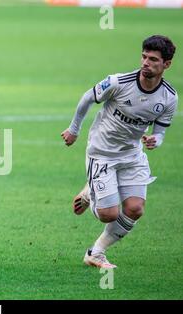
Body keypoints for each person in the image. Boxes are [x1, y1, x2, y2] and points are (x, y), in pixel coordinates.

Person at [61, 35, 177, 268]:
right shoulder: (118, 82)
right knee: (109, 214)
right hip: (102, 152)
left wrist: (156, 140)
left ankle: (96, 252)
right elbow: (88, 97)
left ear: (166, 64)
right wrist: (74, 130)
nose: (146, 63)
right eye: (144, 57)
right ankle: (90, 193)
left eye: (153, 59)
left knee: (135, 209)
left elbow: (161, 131)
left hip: (132, 155)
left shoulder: (169, 97)